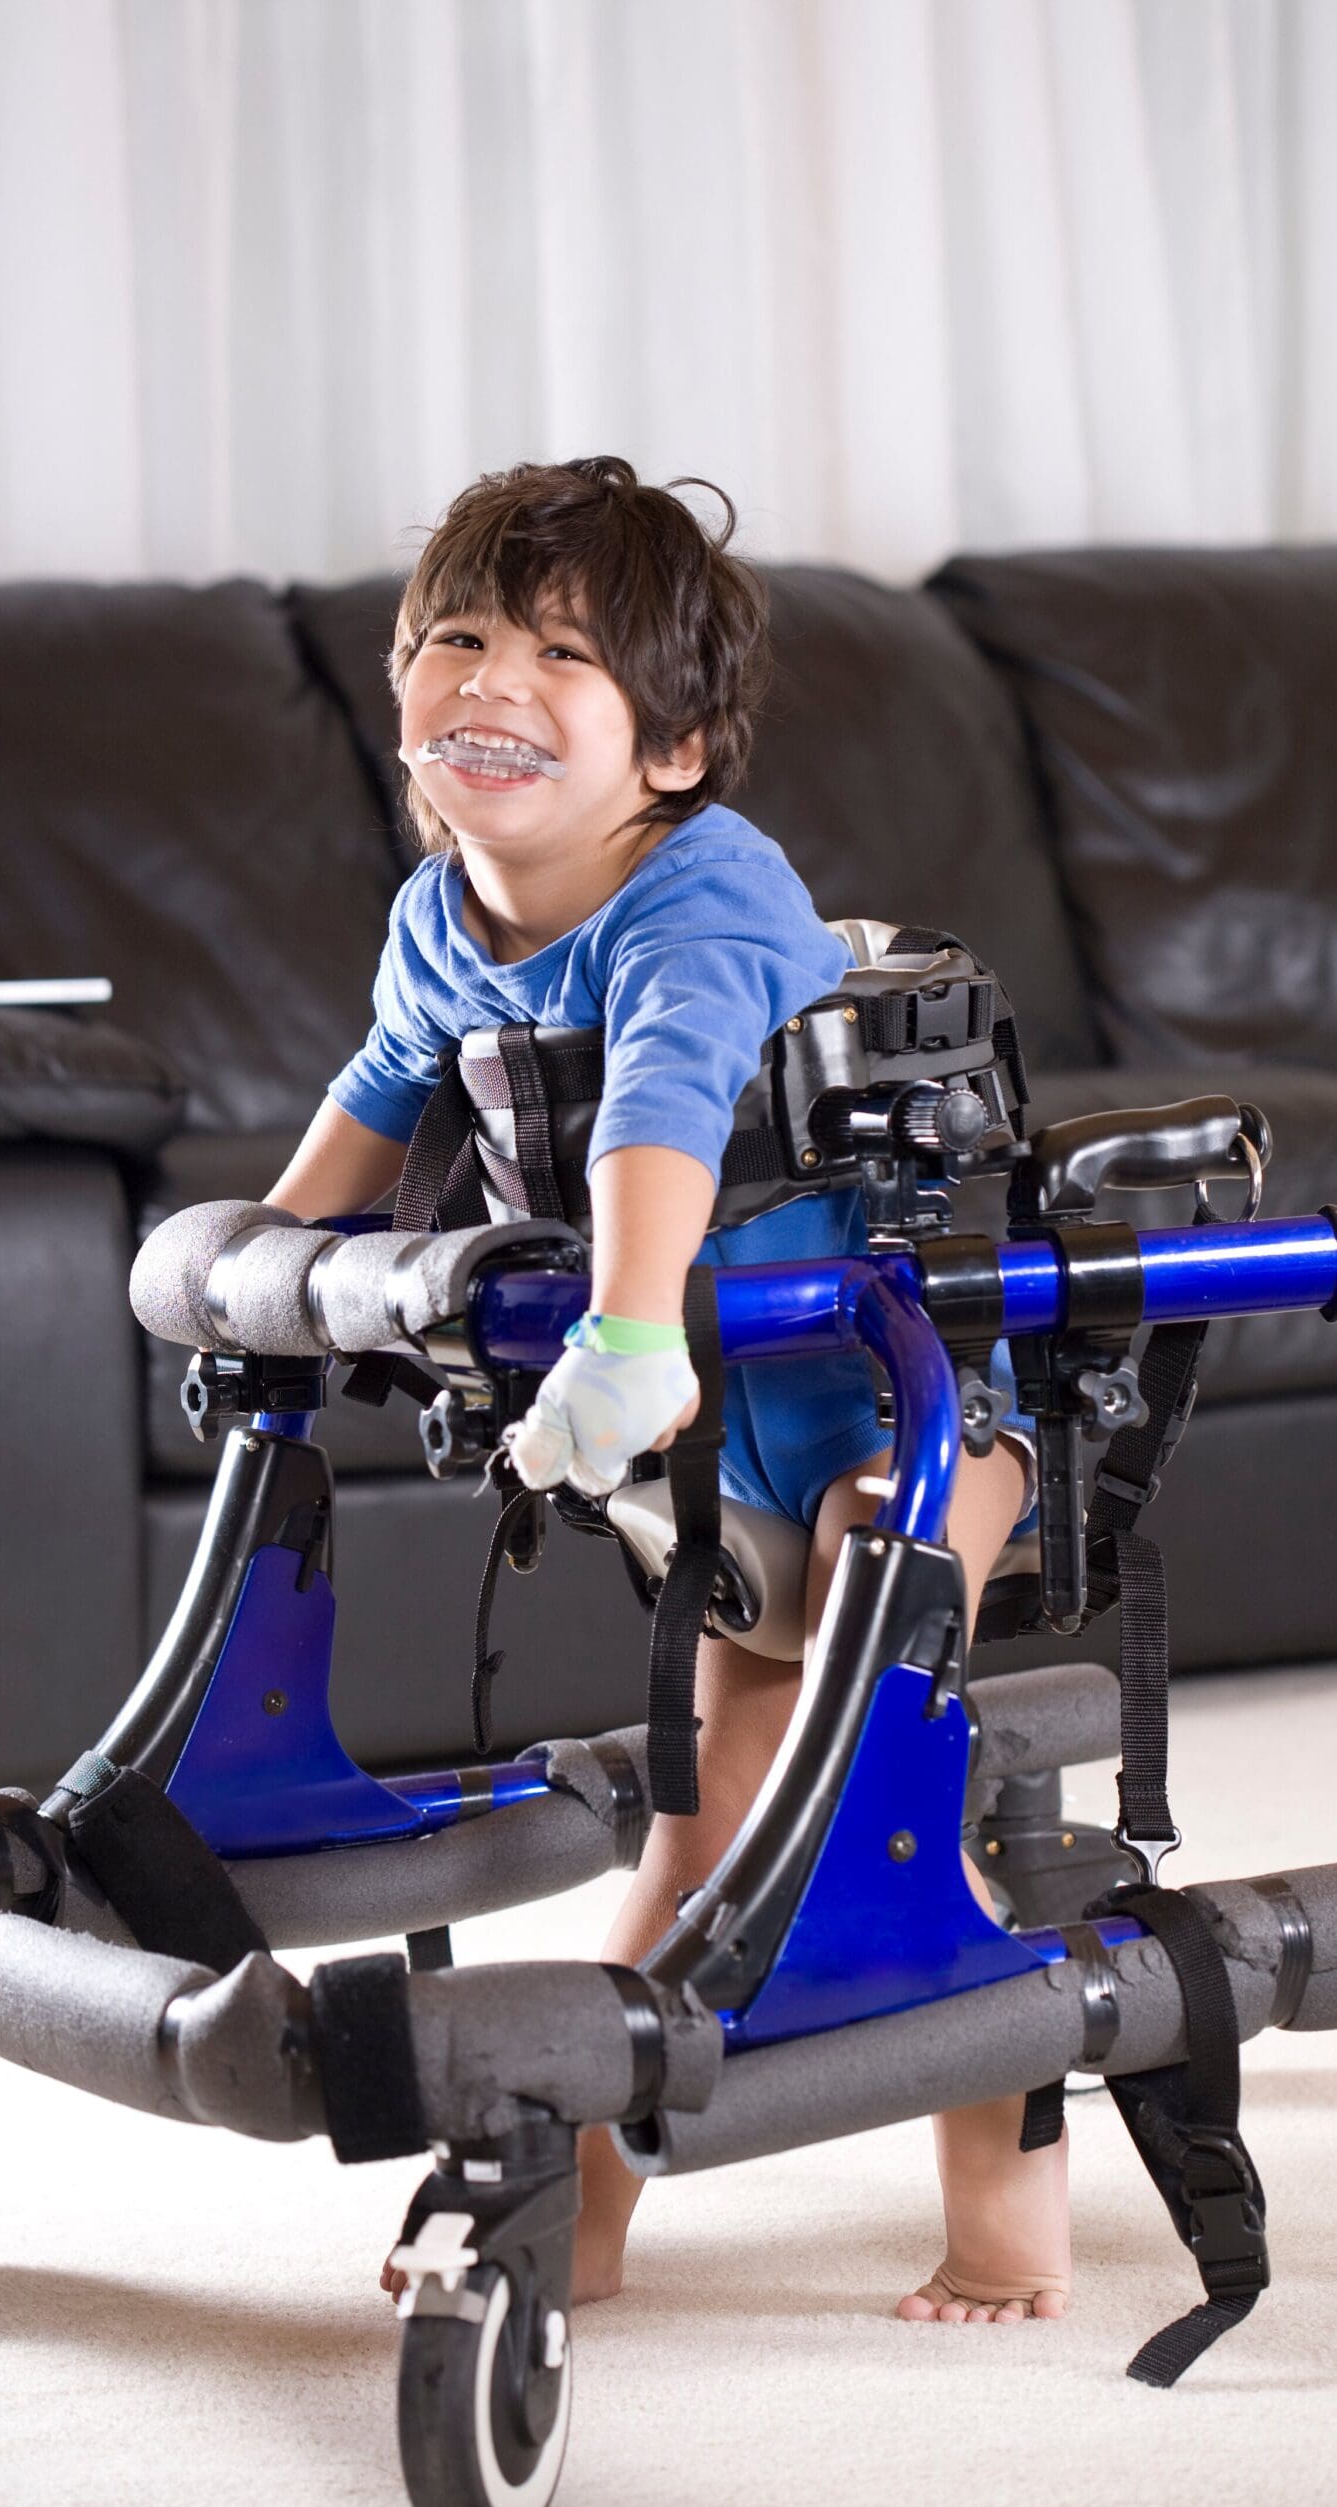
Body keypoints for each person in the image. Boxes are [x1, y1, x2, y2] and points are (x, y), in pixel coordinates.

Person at [264, 455, 1069, 2325]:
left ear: (677, 750)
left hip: (911, 1409)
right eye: (454, 636)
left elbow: (658, 1114)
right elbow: (383, 1093)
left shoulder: (706, 892)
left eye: (562, 653)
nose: (493, 676)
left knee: (876, 1762)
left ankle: (1008, 2232)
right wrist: (270, 1264)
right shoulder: (436, 915)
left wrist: (627, 1332)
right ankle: (587, 2209)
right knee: (705, 1829)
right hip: (725, 1456)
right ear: (397, 690)